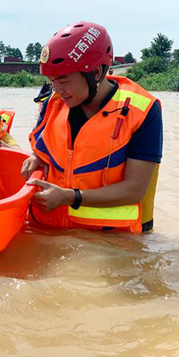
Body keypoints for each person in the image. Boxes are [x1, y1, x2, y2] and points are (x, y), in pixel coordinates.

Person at [21, 21, 162, 233]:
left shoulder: (142, 111)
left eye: (64, 80)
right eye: (52, 81)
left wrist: (71, 197)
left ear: (95, 73)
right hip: (47, 229)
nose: (58, 90)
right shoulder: (54, 102)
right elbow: (45, 146)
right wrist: (37, 157)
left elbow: (134, 190)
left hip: (106, 240)